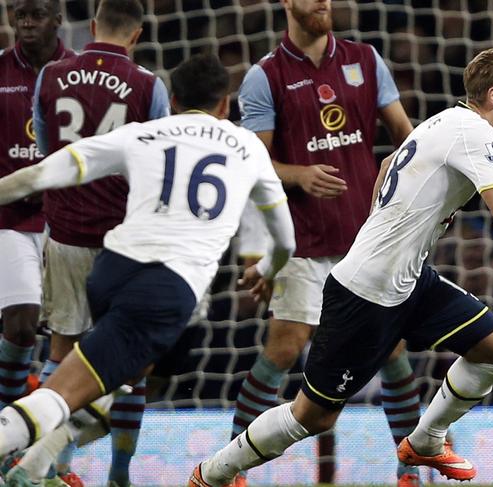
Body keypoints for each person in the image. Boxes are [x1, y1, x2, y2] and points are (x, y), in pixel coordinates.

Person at [187, 46, 493, 487]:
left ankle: (426, 440)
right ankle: (214, 472)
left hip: (409, 281)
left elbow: (389, 162)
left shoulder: (443, 120)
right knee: (313, 415)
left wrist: (386, 235)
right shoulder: (475, 133)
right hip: (364, 294)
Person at [0, 51, 296, 469]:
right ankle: (33, 463)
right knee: (68, 392)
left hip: (113, 270)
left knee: (123, 371)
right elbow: (285, 237)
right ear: (226, 105)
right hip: (167, 290)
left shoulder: (143, 133)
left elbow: (44, 173)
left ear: (172, 99)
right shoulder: (248, 146)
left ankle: (35, 466)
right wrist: (266, 270)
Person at [232, 0, 417, 484]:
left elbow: (407, 136)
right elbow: (252, 161)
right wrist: (299, 174)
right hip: (303, 242)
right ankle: (233, 466)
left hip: (366, 240)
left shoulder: (365, 60)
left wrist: (394, 169)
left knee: (393, 350)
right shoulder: (264, 76)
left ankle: (409, 469)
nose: (325, 4)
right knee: (284, 348)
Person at [20, 1, 170, 485]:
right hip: (123, 243)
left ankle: (54, 470)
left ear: (91, 28)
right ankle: (120, 475)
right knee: (129, 361)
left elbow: (48, 154)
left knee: (61, 352)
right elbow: (162, 165)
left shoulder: (51, 75)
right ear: (138, 34)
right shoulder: (150, 85)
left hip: (64, 235)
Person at [0, 0, 72, 410]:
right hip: (11, 219)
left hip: (70, 220)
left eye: (37, 14)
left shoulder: (80, 71)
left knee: (70, 335)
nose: (27, 22)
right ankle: (8, 427)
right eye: (20, 13)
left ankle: (47, 448)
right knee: (22, 323)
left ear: (58, 19)